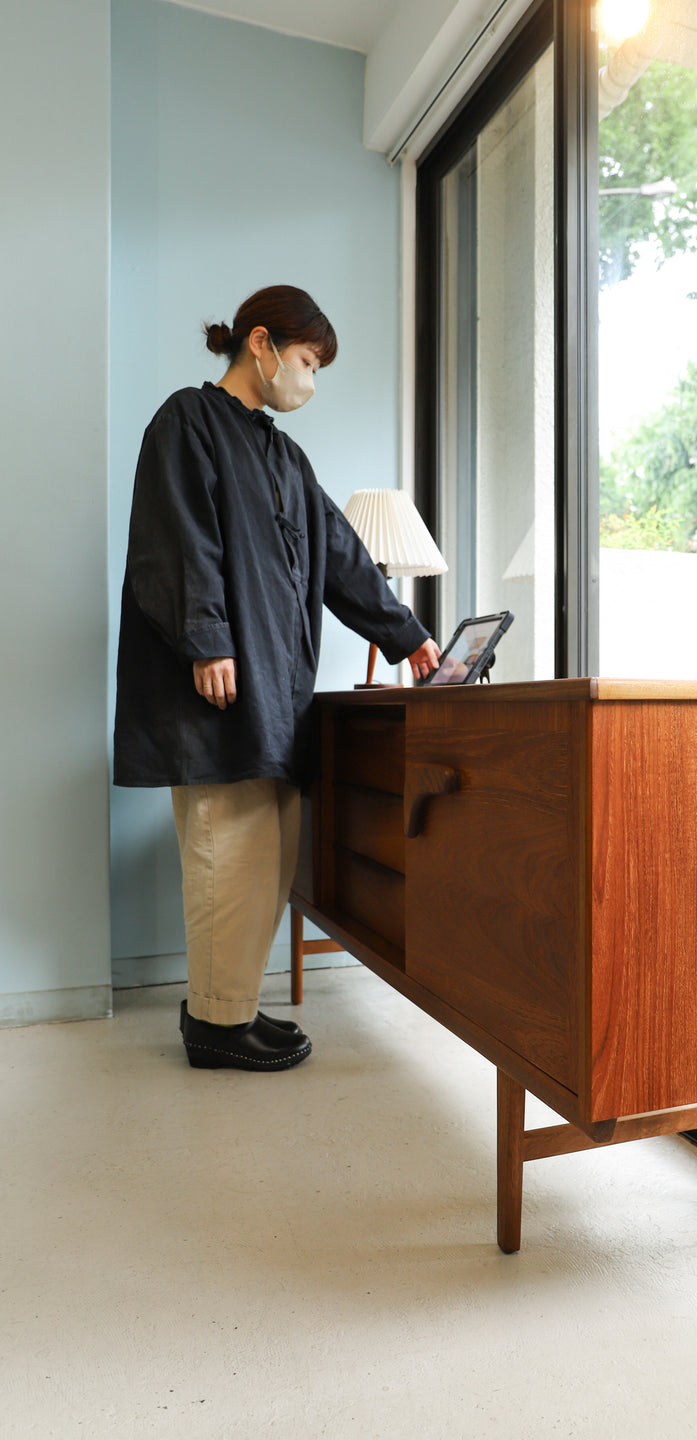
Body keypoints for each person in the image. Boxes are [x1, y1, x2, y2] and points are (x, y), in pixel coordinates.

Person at [114, 285, 440, 1071]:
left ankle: (230, 1009)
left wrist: (408, 637)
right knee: (227, 847)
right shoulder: (185, 423)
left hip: (274, 691)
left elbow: (341, 556)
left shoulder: (286, 458)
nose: (310, 382)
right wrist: (207, 641)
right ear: (260, 344)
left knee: (267, 852)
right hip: (218, 687)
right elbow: (175, 539)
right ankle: (217, 1027)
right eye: (305, 362)